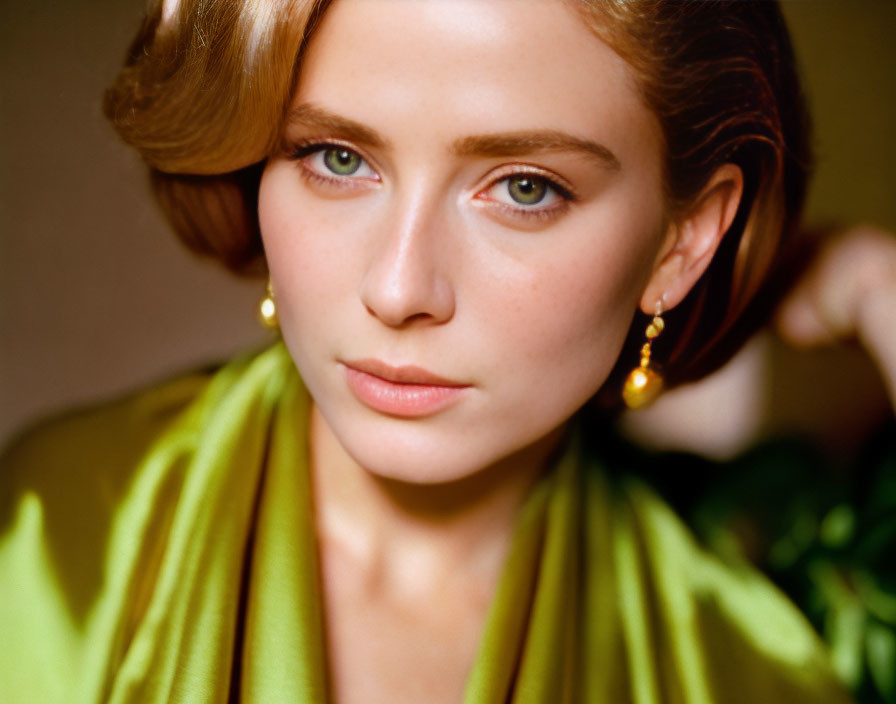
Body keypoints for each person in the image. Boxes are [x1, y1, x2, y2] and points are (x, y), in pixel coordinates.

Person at [1, 0, 894, 702]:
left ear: (682, 241)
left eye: (524, 187)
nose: (397, 289)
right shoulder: (51, 536)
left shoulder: (781, 621)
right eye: (337, 158)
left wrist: (874, 286)